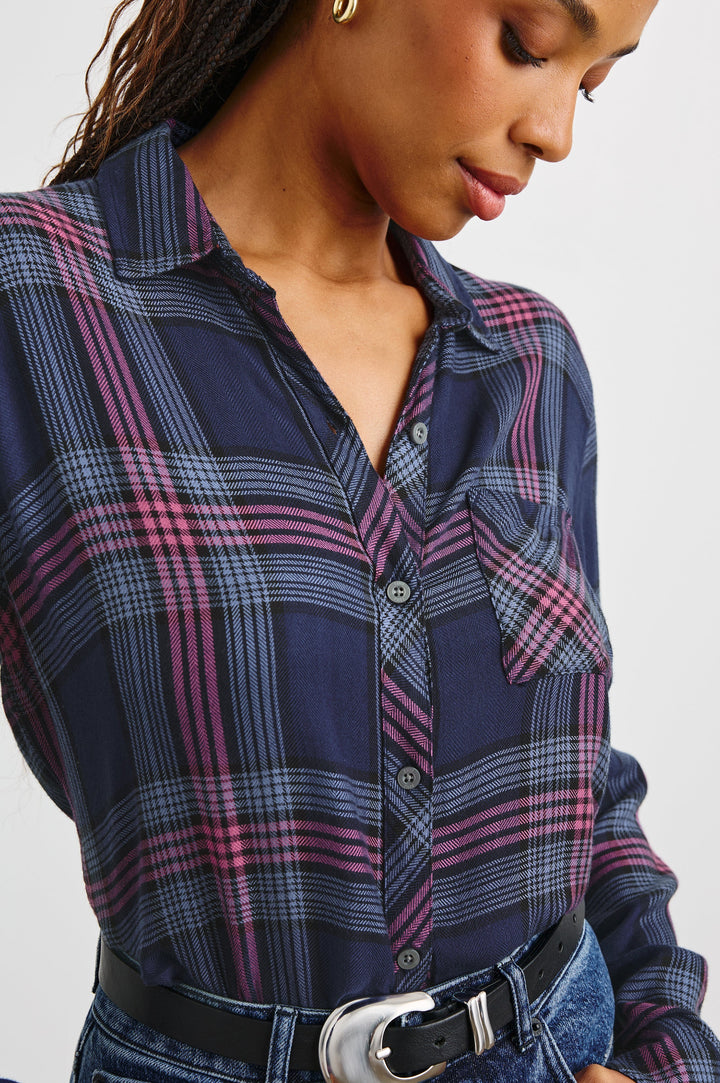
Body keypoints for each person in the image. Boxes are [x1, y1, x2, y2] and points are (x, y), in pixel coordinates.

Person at [0, 0, 718, 1081]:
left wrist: (669, 1055)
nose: (556, 131)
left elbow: (583, 789)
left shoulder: (530, 362)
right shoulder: (34, 304)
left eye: (592, 82)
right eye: (528, 44)